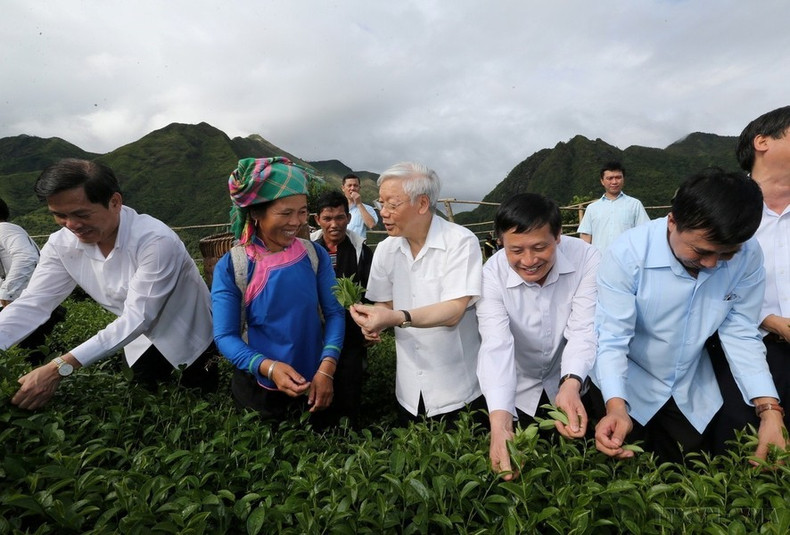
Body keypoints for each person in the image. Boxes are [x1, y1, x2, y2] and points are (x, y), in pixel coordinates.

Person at [593, 167, 786, 463]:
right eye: (700, 251)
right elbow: (612, 339)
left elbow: (740, 331)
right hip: (628, 380)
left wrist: (770, 410)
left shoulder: (748, 255)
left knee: (690, 469)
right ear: (672, 221)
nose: (711, 264)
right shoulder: (628, 254)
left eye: (725, 255)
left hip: (688, 384)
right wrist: (617, 406)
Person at [4, 158, 217, 410]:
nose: (71, 225)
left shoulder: (155, 241)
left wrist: (58, 367)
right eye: (59, 216)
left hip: (188, 332)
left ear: (115, 202)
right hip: (134, 337)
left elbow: (139, 317)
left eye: (81, 214)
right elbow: (33, 303)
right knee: (140, 401)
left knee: (198, 402)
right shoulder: (61, 245)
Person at [212, 157, 345, 426]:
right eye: (285, 213)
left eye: (302, 211)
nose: (296, 222)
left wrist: (327, 368)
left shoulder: (313, 254)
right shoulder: (235, 265)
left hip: (316, 383)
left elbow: (334, 313)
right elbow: (225, 336)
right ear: (256, 214)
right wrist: (269, 368)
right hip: (259, 391)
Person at [349, 162, 484, 424]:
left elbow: (454, 310)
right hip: (409, 390)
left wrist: (395, 317)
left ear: (422, 204)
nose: (384, 213)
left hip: (458, 390)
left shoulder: (460, 242)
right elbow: (384, 304)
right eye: (381, 204)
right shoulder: (386, 250)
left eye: (392, 204)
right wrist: (373, 320)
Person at [477, 193, 601, 479]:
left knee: (578, 471)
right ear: (500, 242)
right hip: (517, 391)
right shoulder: (491, 274)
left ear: (558, 236)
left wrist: (570, 384)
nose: (529, 260)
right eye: (515, 251)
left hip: (572, 382)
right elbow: (496, 345)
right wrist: (499, 423)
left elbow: (584, 327)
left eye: (539, 247)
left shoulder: (586, 258)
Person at [710, 106, 790, 441]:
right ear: (762, 142)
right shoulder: (721, 208)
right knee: (744, 450)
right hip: (748, 346)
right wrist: (770, 320)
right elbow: (708, 285)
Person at [311, 189, 373, 427]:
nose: (334, 224)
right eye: (327, 218)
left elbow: (370, 290)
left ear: (348, 218)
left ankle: (348, 431)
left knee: (349, 380)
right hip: (316, 330)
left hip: (350, 331)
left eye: (339, 217)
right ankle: (320, 429)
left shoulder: (360, 250)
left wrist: (367, 323)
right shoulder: (308, 248)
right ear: (317, 220)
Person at [0, 197, 65, 365]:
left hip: (21, 304)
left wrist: (7, 292)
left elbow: (26, 257)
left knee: (29, 358)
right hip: (20, 303)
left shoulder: (4, 229)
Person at [577, 161, 650, 252]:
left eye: (618, 177)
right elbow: (586, 237)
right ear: (602, 181)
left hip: (627, 261)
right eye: (610, 178)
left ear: (623, 179)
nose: (614, 182)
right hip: (599, 262)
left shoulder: (635, 205)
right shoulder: (592, 208)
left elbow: (644, 233)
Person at [341, 173, 378, 240]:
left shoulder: (367, 208)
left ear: (359, 188)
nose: (352, 188)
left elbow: (371, 225)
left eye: (355, 186)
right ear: (343, 188)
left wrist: (359, 204)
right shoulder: (337, 208)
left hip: (358, 247)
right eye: (349, 185)